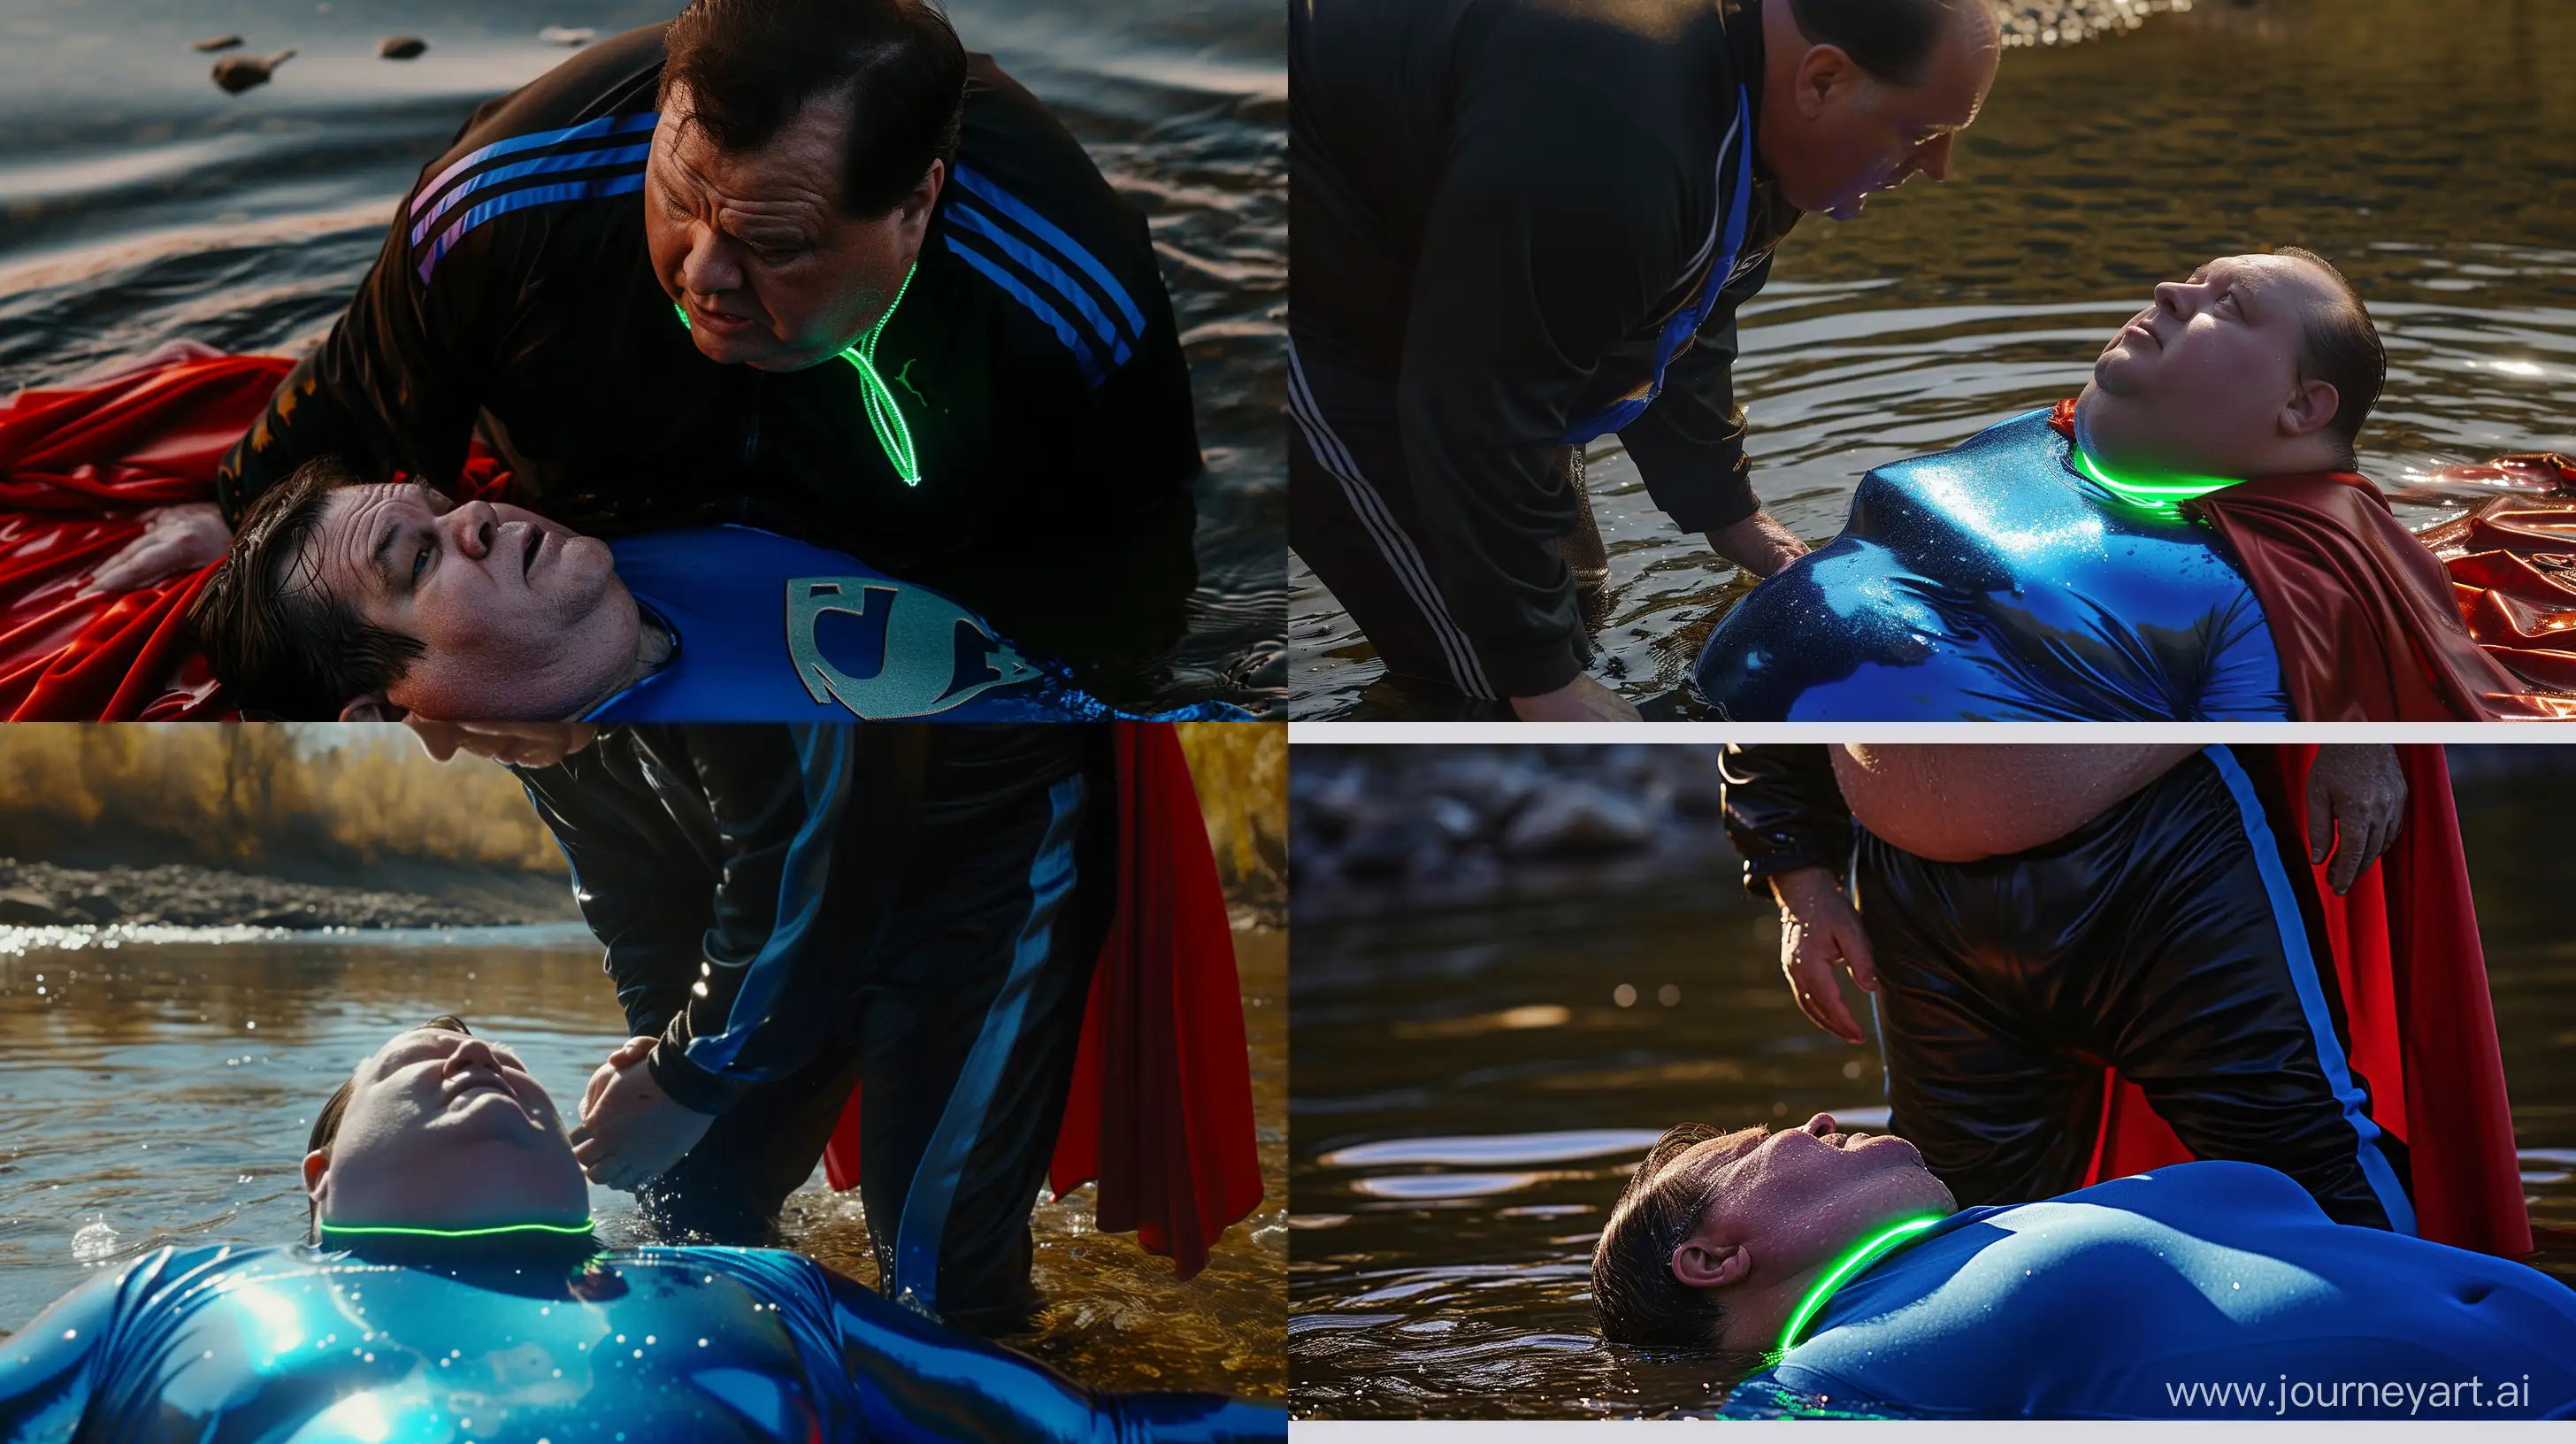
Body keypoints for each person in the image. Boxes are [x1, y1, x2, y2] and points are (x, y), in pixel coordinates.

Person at [91, 0, 1206, 668]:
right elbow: (351, 425)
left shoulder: (1072, 297)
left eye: (776, 243)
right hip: (596, 542)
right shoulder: (499, 203)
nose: (705, 276)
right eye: (679, 197)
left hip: (913, 588)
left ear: (915, 207)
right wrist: (247, 516)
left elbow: (1134, 576)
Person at [0, 1016, 1285, 1443]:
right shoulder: (165, 1295)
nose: (480, 1052)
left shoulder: (770, 1286)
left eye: (509, 1063)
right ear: (320, 1174)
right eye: (424, 1057)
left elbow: (1103, 1431)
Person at [1290, 0, 2000, 718]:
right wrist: (1546, 687)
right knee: (1488, 689)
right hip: (1307, 292)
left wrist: (1730, 513)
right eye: (1922, 133)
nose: (1938, 168)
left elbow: (1685, 312)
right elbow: (1476, 419)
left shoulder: (1758, 114)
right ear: (1822, 81)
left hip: (1474, 314)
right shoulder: (1619, 149)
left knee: (1572, 593)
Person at [508, 724, 1259, 1336]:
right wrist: (660, 1058)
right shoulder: (514, 725)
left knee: (940, 1295)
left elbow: (818, 841)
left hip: (981, 876)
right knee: (686, 1201)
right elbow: (634, 903)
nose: (446, 743)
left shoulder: (568, 654)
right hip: (795, 929)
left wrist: (691, 1077)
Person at [1720, 742, 2530, 1256]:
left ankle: (2455, 1378)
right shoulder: (1886, 509)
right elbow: (1799, 656)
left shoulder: (2125, 473)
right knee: (1965, 1212)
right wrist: (1799, 878)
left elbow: (2302, 558)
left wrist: (2361, 725)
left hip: (2168, 857)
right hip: (1922, 904)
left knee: (2301, 1158)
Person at [1696, 250, 2534, 721]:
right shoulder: (2041, 432)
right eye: (2194, 277)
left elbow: (2263, 775)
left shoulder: (2284, 587)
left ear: (2302, 405)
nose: (2170, 289)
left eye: (2228, 306)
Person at [1590, 1111, 2576, 1418]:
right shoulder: (1817, 1382)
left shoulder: (2012, 1227)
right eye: (1753, 1146)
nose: (1811, 1120)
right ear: (1710, 1257)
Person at [183, 457, 1245, 723]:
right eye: (416, 563)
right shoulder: (660, 788)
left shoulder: (653, 530)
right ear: (383, 711)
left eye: (440, 503)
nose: (474, 520)